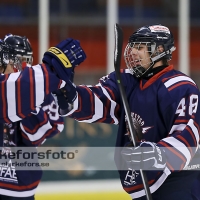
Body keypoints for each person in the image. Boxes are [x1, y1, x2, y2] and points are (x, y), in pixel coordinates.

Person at [44, 24, 200, 200]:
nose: (133, 52)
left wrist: (158, 153)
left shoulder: (180, 86)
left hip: (178, 184)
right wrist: (70, 95)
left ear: (159, 50)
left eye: (140, 47)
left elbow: (188, 138)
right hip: (143, 184)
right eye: (132, 46)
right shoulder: (126, 81)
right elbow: (100, 101)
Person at [0, 34, 66, 200]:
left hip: (19, 184)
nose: (21, 66)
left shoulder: (37, 91)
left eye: (24, 61)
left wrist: (28, 105)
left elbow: (49, 129)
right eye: (17, 60)